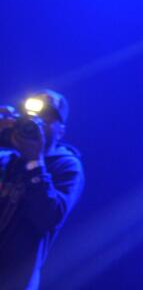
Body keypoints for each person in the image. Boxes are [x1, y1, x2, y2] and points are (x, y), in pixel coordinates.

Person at [0, 90, 84, 290]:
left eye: (46, 119)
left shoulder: (67, 166)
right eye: (31, 117)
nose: (36, 124)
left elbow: (48, 218)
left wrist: (34, 162)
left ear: (61, 131)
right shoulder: (6, 158)